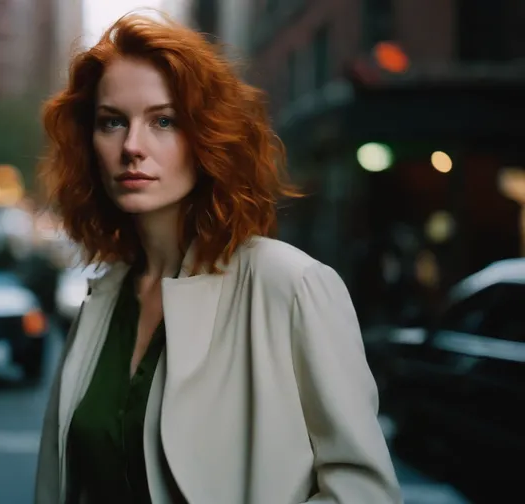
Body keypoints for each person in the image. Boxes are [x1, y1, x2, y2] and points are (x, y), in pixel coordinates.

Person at [34, 12, 402, 504]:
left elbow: (365, 494)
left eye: (163, 120)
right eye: (112, 122)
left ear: (207, 137)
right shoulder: (102, 301)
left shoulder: (290, 285)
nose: (132, 147)